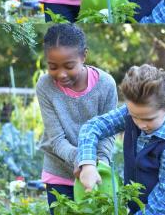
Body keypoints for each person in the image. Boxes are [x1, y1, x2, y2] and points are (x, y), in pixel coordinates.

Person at [77, 64, 165, 214]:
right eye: (134, 116)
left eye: (148, 119)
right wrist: (88, 164)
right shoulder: (133, 113)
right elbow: (92, 127)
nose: (140, 124)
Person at [36, 24, 118, 213]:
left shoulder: (106, 85)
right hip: (58, 171)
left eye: (69, 66)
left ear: (84, 56)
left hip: (96, 171)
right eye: (52, 67)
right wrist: (83, 160)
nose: (61, 74)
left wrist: (97, 164)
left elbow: (108, 134)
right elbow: (56, 140)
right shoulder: (45, 86)